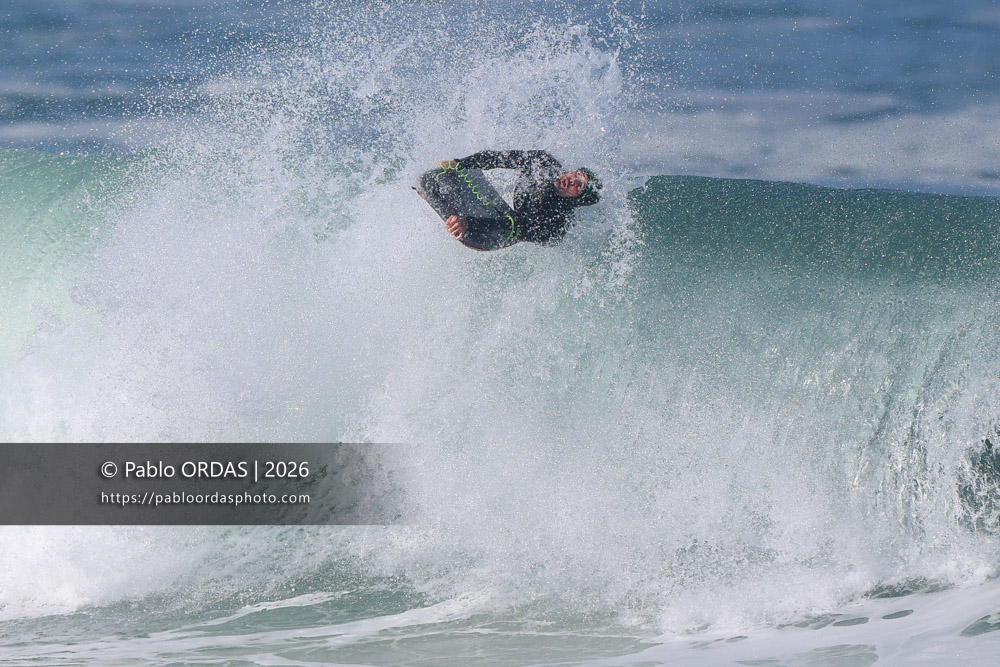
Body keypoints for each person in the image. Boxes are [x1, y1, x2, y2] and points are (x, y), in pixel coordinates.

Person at [439, 150, 602, 247]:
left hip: (533, 230)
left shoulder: (554, 218)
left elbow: (512, 227)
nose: (574, 180)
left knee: (517, 225)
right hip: (524, 203)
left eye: (580, 186)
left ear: (576, 198)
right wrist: (461, 163)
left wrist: (469, 223)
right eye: (579, 174)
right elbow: (500, 158)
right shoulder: (543, 162)